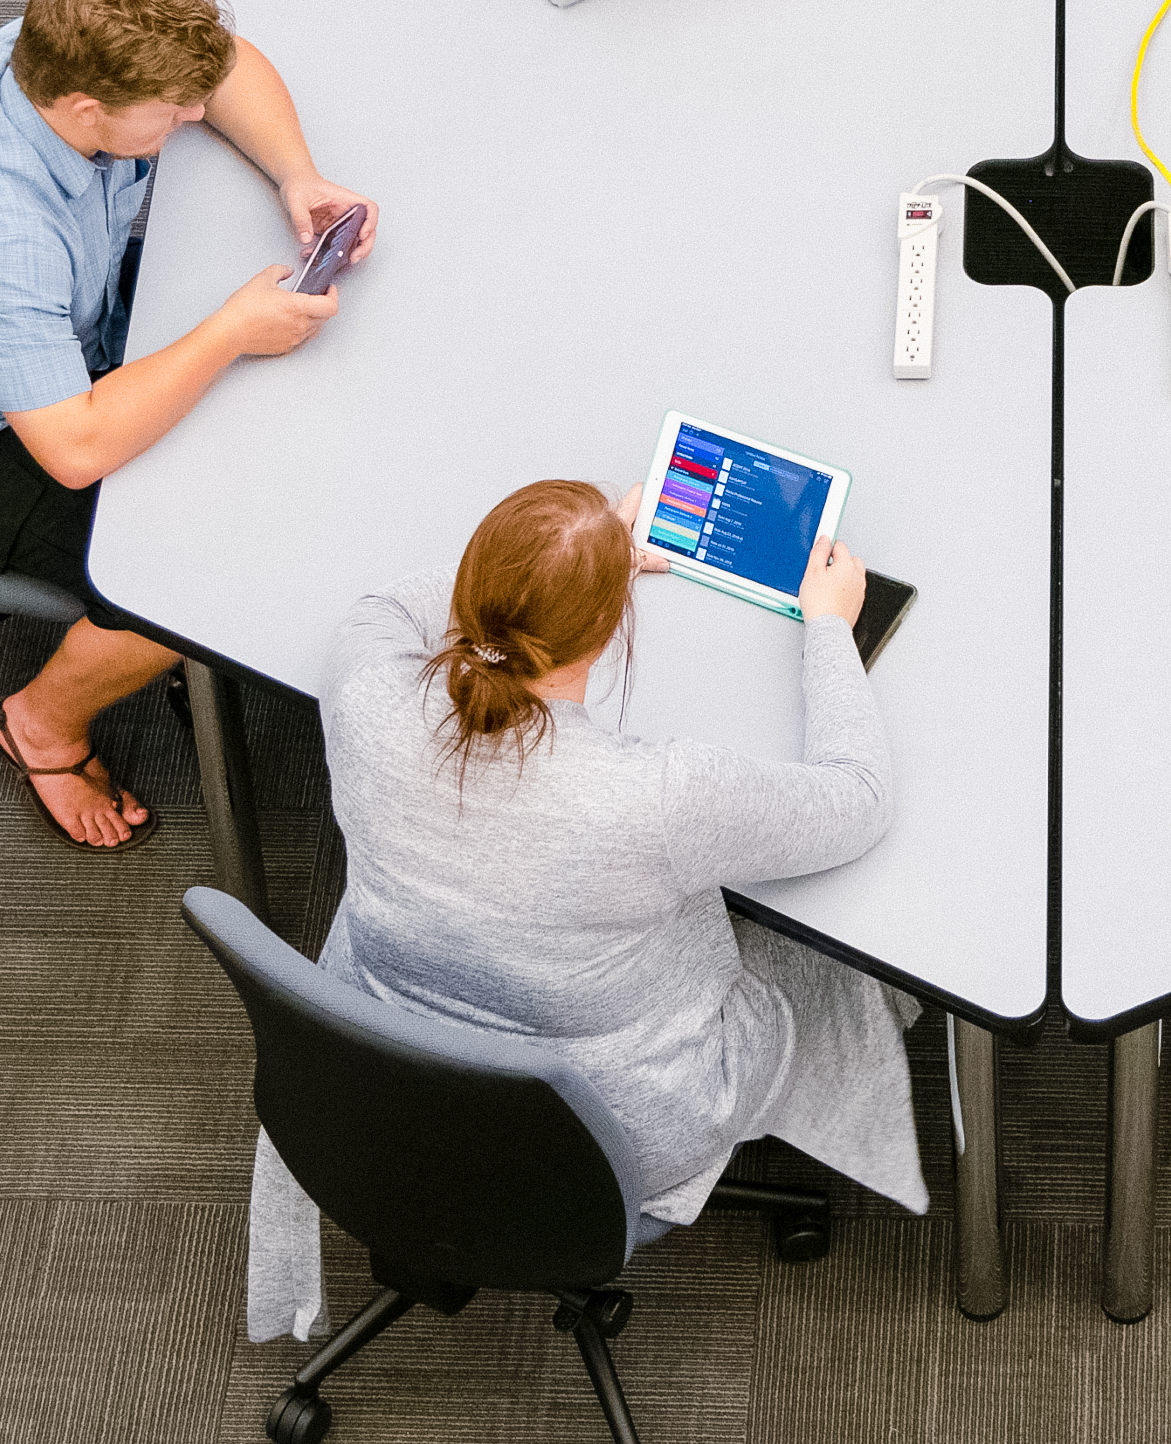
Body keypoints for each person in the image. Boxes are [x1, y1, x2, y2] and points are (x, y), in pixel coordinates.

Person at [0, 0, 374, 850]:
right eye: (173, 111)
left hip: (59, 335)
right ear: (87, 110)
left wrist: (297, 175)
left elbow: (227, 69)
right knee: (200, 582)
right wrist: (227, 330)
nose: (194, 115)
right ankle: (42, 721)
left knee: (266, 404)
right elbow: (75, 446)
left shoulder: (58, 51)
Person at [304, 479, 927, 1226]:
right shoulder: (658, 794)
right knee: (865, 962)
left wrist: (541, 579)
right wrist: (830, 625)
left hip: (393, 1062)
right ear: (608, 630)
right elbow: (858, 797)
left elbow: (381, 610)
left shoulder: (368, 696)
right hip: (607, 1140)